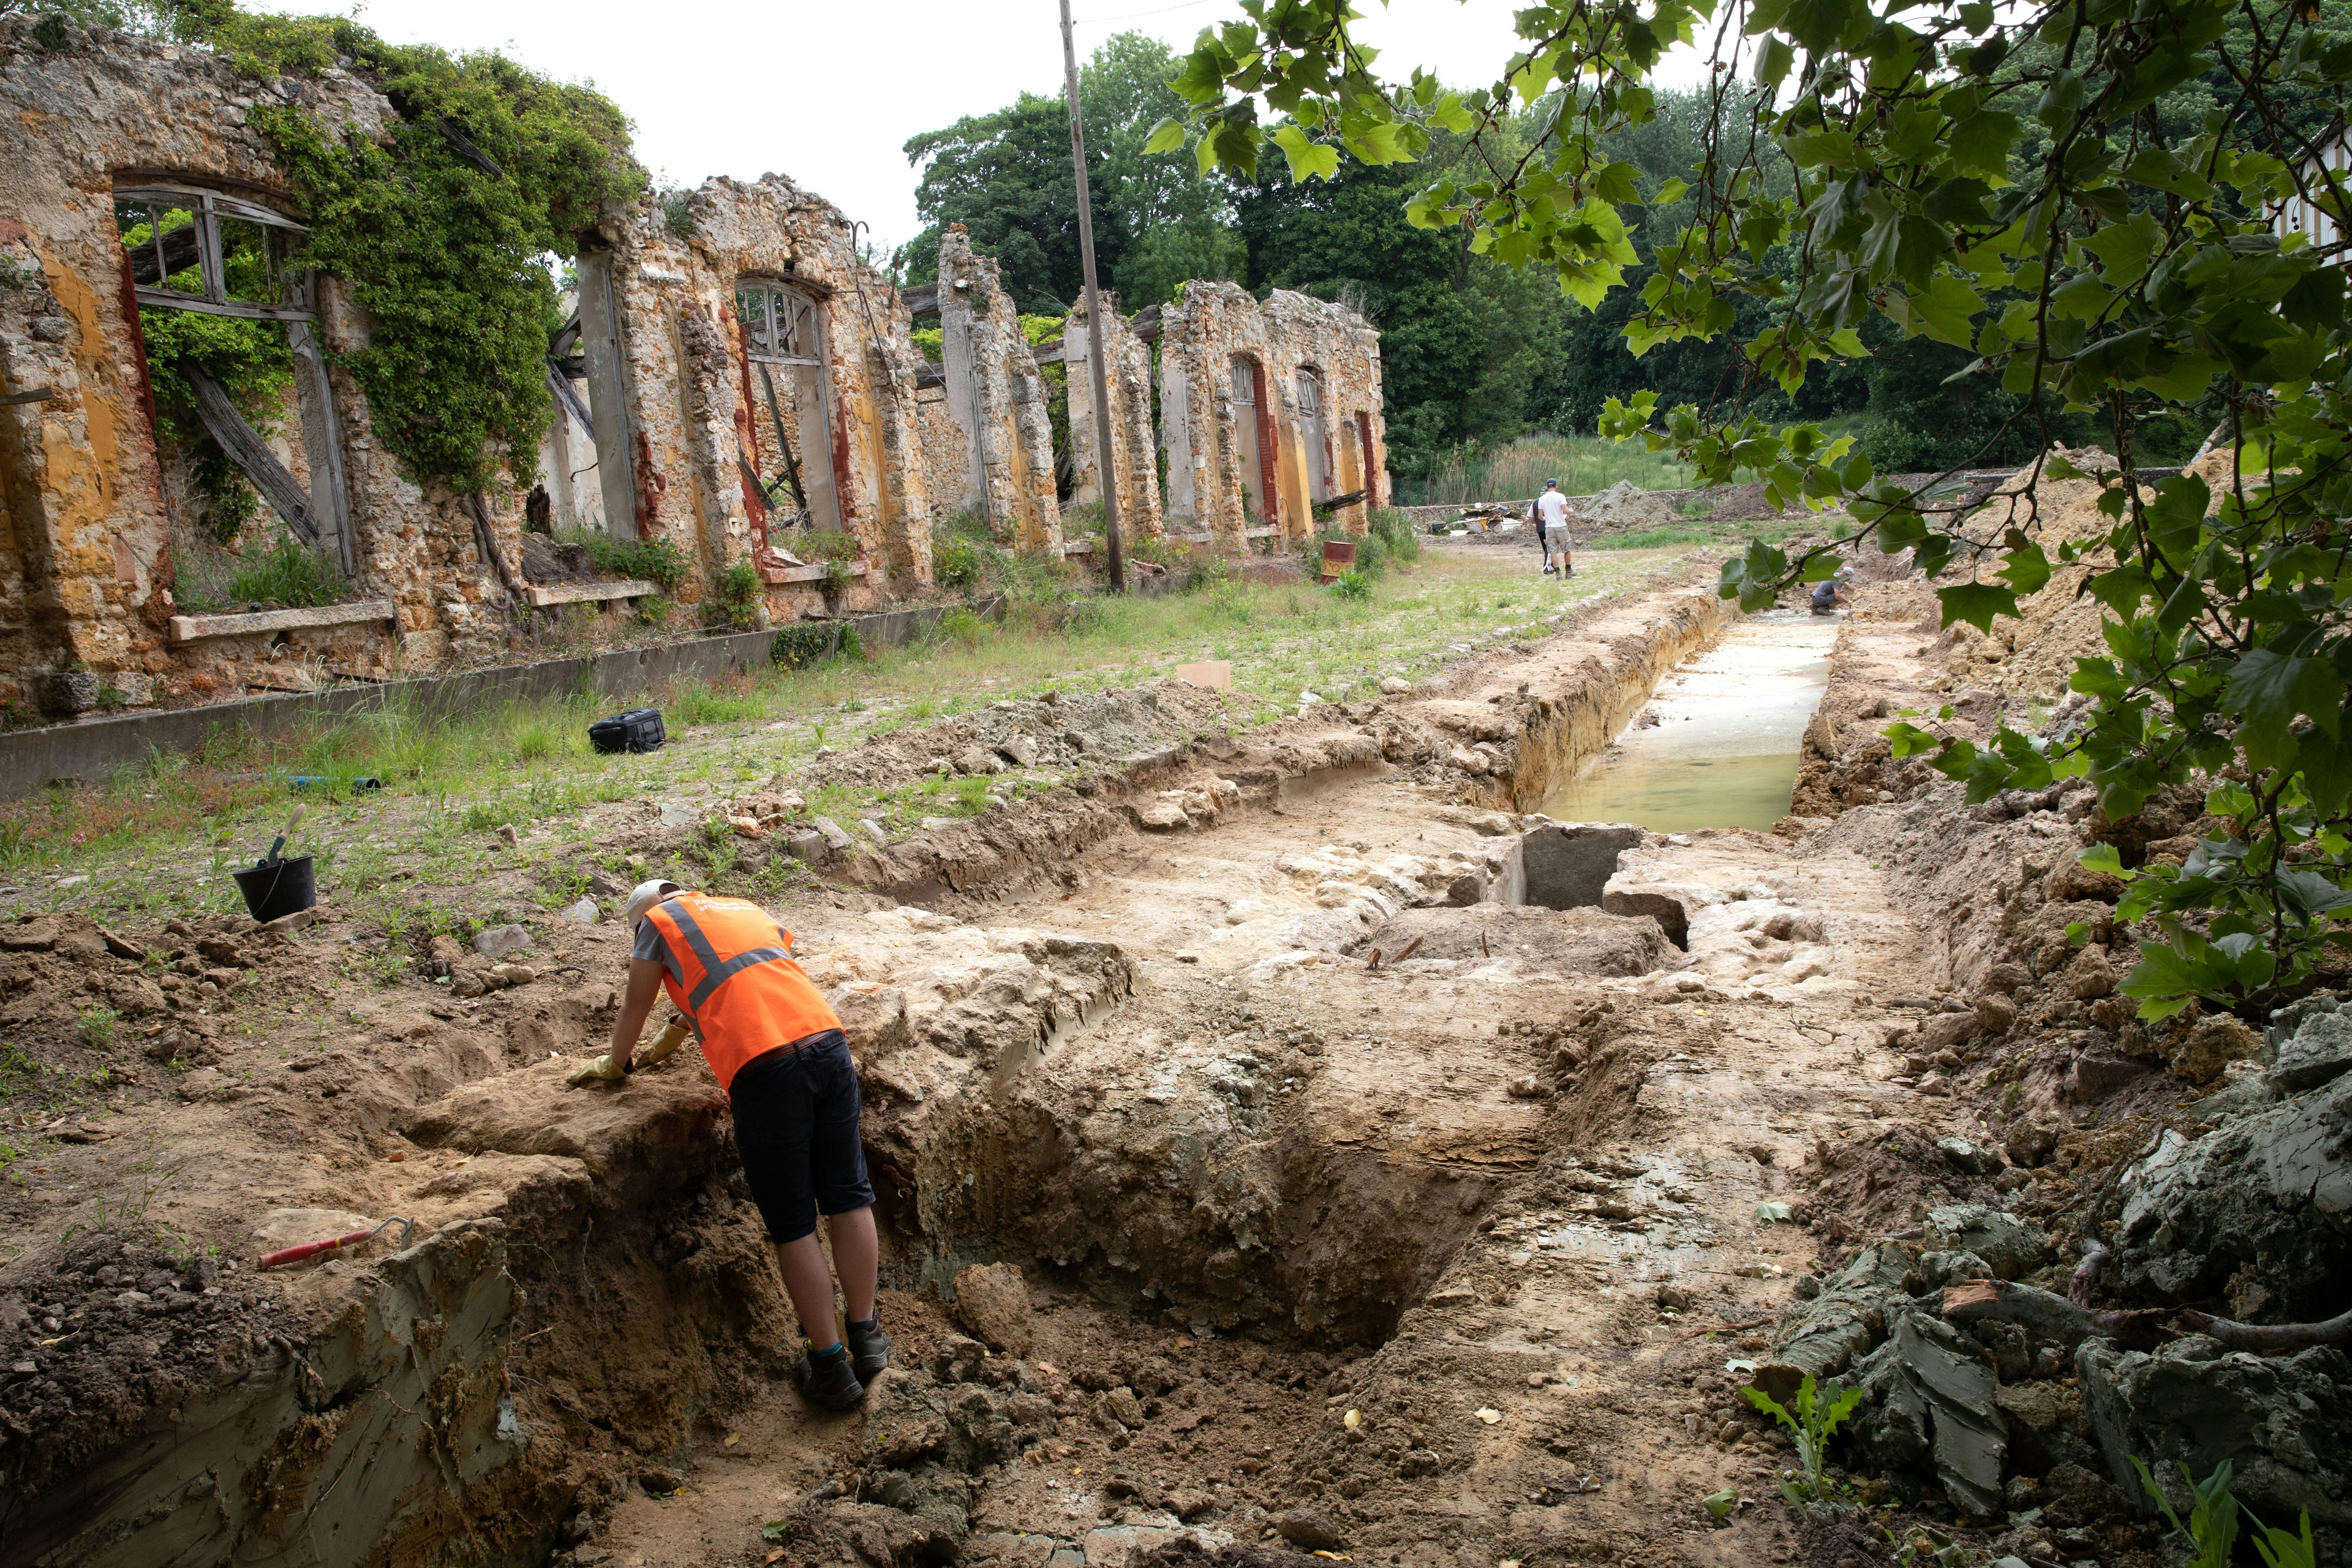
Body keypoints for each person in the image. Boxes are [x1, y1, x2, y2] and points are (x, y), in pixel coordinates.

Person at [571, 879, 888, 1411]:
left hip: (766, 1070)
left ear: (642, 917)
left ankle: (831, 1366)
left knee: (793, 1224)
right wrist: (683, 1025)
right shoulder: (739, 906)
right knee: (848, 1195)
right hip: (827, 1044)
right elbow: (747, 977)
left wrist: (618, 1062)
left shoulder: (657, 924)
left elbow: (635, 1003)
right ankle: (868, 1338)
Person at [1534, 479, 1575, 577]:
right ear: (1556, 486)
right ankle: (1568, 571)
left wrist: (1547, 518)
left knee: (1553, 551)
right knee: (1566, 549)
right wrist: (1571, 511)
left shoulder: (1542, 499)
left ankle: (1558, 573)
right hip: (1561, 526)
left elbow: (1540, 517)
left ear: (1547, 487)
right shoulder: (1560, 496)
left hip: (1549, 528)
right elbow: (1565, 511)